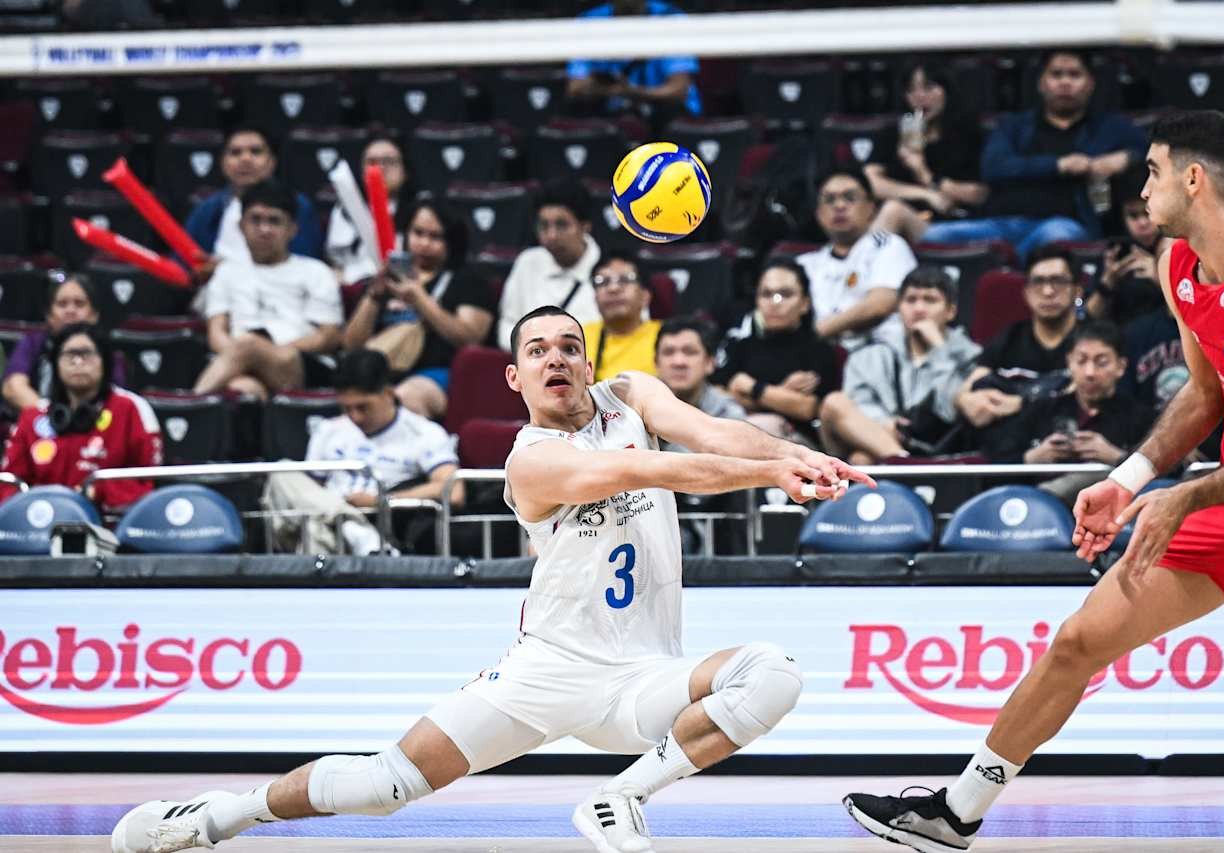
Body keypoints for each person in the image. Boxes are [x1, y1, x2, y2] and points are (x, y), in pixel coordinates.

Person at [111, 304, 873, 853]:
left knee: (772, 672)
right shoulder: (530, 458)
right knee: (386, 783)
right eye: (537, 349)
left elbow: (712, 432)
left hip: (644, 677)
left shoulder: (632, 395)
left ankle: (619, 797)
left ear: (589, 362)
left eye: (570, 346)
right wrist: (771, 469)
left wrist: (791, 452)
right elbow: (647, 466)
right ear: (514, 374)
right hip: (543, 672)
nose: (556, 358)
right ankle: (219, 815)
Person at [844, 110, 1224, 853]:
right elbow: (1205, 395)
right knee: (1080, 640)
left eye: (1151, 170)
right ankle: (957, 811)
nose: (1140, 186)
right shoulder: (1179, 265)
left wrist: (1184, 495)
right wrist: (1132, 476)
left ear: (1194, 179)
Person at [921, 48, 1147, 260]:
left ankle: (1009, 264)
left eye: (1074, 75)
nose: (1065, 82)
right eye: (1056, 74)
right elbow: (993, 167)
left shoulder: (1110, 127)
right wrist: (1058, 165)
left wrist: (1127, 158)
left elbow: (1150, 151)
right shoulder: (1013, 126)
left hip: (1065, 223)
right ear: (1041, 83)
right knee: (930, 237)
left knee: (1057, 236)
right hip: (1001, 223)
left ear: (1090, 84)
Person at [262, 350, 460, 556]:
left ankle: (352, 529)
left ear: (388, 394)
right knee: (282, 473)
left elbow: (454, 491)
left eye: (363, 407)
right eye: (347, 409)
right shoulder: (328, 430)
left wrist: (382, 501)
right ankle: (354, 529)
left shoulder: (423, 432)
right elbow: (308, 492)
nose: (355, 417)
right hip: (331, 521)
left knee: (313, 528)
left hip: (381, 521)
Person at [343, 200, 495, 420]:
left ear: (452, 241)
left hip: (439, 374)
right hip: (381, 374)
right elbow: (351, 345)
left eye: (435, 237)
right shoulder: (389, 279)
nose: (424, 243)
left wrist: (419, 299)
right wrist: (373, 297)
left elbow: (470, 338)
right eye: (418, 233)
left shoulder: (468, 281)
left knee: (404, 398)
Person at [193, 180, 343, 399]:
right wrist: (247, 354)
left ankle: (192, 404)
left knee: (248, 345)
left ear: (292, 229)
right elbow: (216, 333)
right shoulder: (226, 272)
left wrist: (264, 350)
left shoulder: (316, 272)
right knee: (243, 389)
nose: (264, 229)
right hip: (239, 361)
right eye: (256, 220)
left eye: (274, 221)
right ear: (241, 226)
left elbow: (328, 337)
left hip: (298, 362)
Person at [820, 266, 981, 463]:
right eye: (911, 300)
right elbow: (859, 402)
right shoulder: (871, 354)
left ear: (950, 311)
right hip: (884, 438)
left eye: (930, 300)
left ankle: (904, 466)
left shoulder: (972, 357)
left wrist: (940, 349)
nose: (919, 309)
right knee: (838, 409)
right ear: (899, 308)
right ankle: (905, 464)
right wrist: (885, 423)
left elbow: (950, 410)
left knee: (861, 459)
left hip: (944, 447)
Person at [981, 321, 1153, 503]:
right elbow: (991, 474)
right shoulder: (1041, 410)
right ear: (1069, 362)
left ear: (1121, 367)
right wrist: (1032, 458)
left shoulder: (1141, 417)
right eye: (1081, 361)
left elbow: (1168, 475)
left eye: (1101, 363)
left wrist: (1116, 457)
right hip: (1040, 519)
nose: (1090, 372)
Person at [0, 324, 161, 512]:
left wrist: (97, 491)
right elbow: (7, 485)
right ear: (56, 364)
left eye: (86, 354)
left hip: (110, 525)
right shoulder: (33, 416)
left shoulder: (132, 408)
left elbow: (147, 484)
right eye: (69, 354)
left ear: (104, 361)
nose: (77, 361)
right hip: (40, 525)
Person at [953, 246, 1083, 430]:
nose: (1047, 291)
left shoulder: (1092, 338)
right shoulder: (1009, 337)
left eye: (1058, 281)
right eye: (1038, 282)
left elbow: (1085, 394)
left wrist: (1019, 404)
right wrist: (964, 401)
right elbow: (968, 386)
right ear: (1026, 292)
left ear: (1077, 290)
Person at [713, 260, 841, 444]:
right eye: (766, 294)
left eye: (785, 294)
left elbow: (806, 408)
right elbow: (718, 395)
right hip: (740, 434)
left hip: (801, 443)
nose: (775, 302)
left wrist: (752, 388)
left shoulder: (819, 349)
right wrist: (780, 394)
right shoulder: (739, 346)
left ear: (805, 303)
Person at [864, 62, 989, 244]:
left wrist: (924, 173)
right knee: (890, 211)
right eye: (911, 90)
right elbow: (869, 183)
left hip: (949, 224)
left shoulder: (967, 133)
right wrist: (926, 195)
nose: (919, 97)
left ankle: (858, 270)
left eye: (928, 87)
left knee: (893, 211)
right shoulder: (893, 132)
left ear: (946, 90)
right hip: (902, 216)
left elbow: (978, 194)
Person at [795, 168, 918, 349]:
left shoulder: (888, 246)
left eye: (850, 198)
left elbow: (881, 304)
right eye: (829, 200)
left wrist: (815, 334)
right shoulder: (805, 264)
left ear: (871, 208)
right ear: (818, 213)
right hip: (818, 360)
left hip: (878, 353)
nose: (839, 206)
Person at [184, 126, 323, 272]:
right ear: (223, 163)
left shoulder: (297, 205)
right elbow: (184, 262)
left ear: (272, 162)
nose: (245, 159)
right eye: (235, 153)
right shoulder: (206, 209)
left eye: (255, 151)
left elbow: (306, 264)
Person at [496, 179, 602, 351]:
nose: (551, 235)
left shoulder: (610, 268)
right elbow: (507, 326)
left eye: (562, 225)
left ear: (585, 226)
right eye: (544, 226)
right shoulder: (527, 262)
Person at [2, 274, 126, 414]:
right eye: (62, 304)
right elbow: (13, 387)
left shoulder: (106, 351)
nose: (70, 311)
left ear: (94, 315)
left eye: (79, 303)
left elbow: (116, 400)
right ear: (49, 315)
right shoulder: (33, 343)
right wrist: (53, 419)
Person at [565, 0, 702, 123]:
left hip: (662, 111)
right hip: (608, 111)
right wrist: (608, 89)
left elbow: (677, 90)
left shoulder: (670, 18)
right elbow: (576, 87)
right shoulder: (588, 21)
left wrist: (630, 91)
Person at [1085, 165, 1173, 327]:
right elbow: (1086, 320)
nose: (1143, 223)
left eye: (1147, 213)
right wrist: (1107, 284)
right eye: (1133, 215)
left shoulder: (1178, 248)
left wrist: (1159, 278)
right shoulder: (1114, 253)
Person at [654, 316, 745, 453]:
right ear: (656, 363)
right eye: (668, 352)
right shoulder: (636, 411)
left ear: (709, 362)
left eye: (690, 352)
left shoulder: (729, 415)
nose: (678, 362)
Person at [327, 138, 412, 285]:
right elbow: (337, 259)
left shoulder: (419, 208)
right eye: (372, 163)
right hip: (357, 284)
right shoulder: (346, 209)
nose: (380, 168)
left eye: (389, 161)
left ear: (404, 170)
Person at [582, 251, 661, 381]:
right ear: (595, 297)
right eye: (603, 282)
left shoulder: (665, 337)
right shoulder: (580, 337)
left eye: (625, 280)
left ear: (645, 296)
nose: (613, 288)